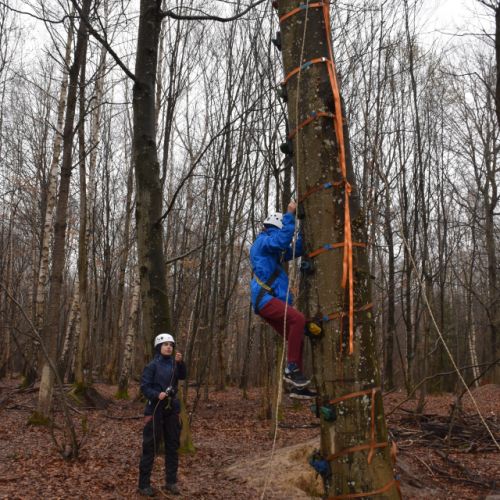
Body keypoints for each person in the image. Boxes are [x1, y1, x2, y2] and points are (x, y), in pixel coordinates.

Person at [250, 200, 316, 400]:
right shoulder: (263, 242)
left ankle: (297, 385)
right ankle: (292, 368)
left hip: (268, 301)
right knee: (298, 319)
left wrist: (304, 230)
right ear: (275, 228)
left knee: (296, 334)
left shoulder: (273, 251)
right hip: (265, 298)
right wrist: (290, 214)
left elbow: (297, 248)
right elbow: (281, 241)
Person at [138, 333, 186, 497]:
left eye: (171, 345)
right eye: (165, 344)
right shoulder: (152, 366)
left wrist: (181, 363)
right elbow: (144, 387)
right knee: (150, 447)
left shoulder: (175, 364)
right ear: (159, 347)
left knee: (172, 446)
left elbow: (183, 376)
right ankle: (143, 484)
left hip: (172, 409)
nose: (169, 347)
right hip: (155, 409)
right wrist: (156, 394)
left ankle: (171, 482)